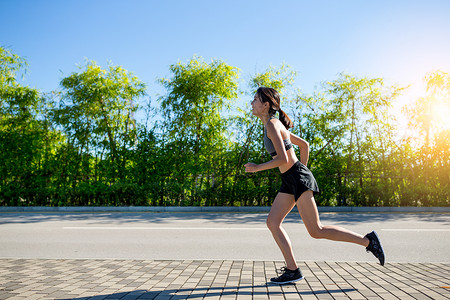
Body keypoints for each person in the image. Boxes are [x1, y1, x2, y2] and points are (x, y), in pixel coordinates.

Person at [244, 87, 385, 285]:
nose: (252, 103)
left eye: (255, 99)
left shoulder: (273, 125)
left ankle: (369, 241)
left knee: (316, 230)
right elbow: (305, 146)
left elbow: (283, 157)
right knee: (272, 222)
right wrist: (299, 171)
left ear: (266, 105)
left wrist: (259, 168)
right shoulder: (273, 124)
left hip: (296, 178)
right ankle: (293, 270)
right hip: (292, 179)